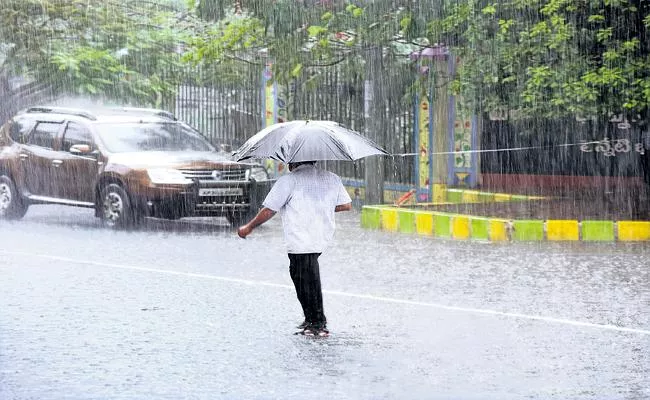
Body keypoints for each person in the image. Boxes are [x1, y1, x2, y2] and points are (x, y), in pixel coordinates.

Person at [237, 161, 352, 336]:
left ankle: (317, 324)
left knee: (307, 278)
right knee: (300, 274)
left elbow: (269, 209)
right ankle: (311, 318)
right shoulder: (332, 178)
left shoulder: (289, 181)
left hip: (301, 236)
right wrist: (320, 207)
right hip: (321, 235)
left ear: (293, 162)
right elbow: (346, 205)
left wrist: (249, 227)